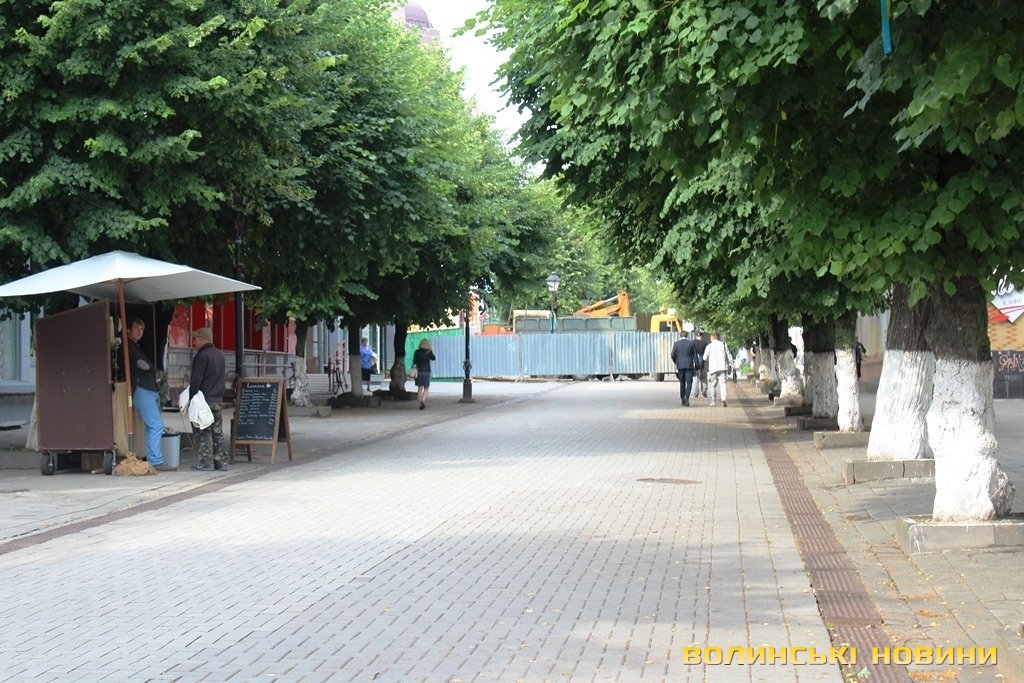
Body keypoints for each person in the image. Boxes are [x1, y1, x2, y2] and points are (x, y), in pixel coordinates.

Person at [127, 318, 173, 471]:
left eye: (142, 329)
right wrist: (153, 368)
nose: (139, 331)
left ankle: (153, 459)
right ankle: (156, 460)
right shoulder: (129, 347)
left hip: (148, 389)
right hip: (142, 389)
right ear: (128, 330)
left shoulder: (135, 346)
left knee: (151, 426)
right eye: (136, 328)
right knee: (156, 425)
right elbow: (142, 364)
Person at [188, 327, 227, 471]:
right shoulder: (220, 355)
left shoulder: (201, 356)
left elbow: (196, 379)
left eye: (196, 339)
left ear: (203, 339)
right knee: (217, 431)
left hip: (204, 400)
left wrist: (191, 397)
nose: (194, 342)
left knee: (204, 430)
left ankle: (206, 463)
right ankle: (220, 462)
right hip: (218, 399)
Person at [702, 331, 733, 407]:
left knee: (713, 385)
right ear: (718, 337)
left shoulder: (709, 346)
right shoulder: (723, 344)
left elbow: (704, 358)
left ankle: (713, 401)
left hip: (713, 369)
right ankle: (723, 399)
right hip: (723, 368)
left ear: (711, 337)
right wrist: (732, 364)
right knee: (723, 384)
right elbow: (729, 355)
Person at [670, 331, 700, 407]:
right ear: (687, 335)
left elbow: (672, 355)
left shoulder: (676, 344)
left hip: (680, 366)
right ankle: (686, 397)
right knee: (689, 382)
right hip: (689, 365)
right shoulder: (691, 343)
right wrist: (697, 366)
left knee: (682, 382)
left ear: (680, 335)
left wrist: (676, 361)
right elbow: (695, 356)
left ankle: (683, 399)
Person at [412, 338, 436, 410]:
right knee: (426, 387)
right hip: (427, 371)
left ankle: (420, 403)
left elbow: (414, 361)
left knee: (420, 388)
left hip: (419, 371)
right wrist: (430, 352)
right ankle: (423, 400)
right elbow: (434, 358)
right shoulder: (429, 352)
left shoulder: (417, 352)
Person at [692, 331, 709, 399]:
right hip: (703, 362)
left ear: (696, 336)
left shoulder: (692, 343)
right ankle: (704, 391)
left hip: (694, 362)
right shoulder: (705, 343)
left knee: (695, 377)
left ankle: (695, 393)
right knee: (703, 377)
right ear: (702, 336)